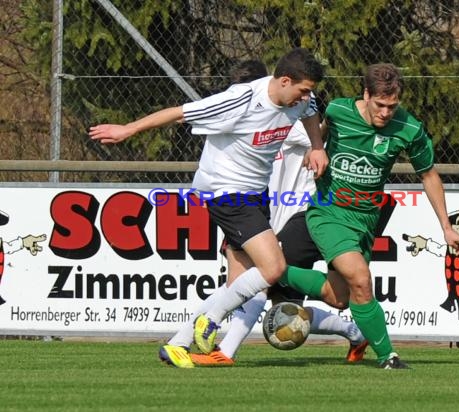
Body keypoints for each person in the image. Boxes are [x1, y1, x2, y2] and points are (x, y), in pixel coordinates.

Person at [90, 48, 329, 368]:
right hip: (226, 193)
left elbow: (311, 111)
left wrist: (316, 147)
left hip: (256, 195)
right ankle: (211, 319)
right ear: (284, 80)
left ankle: (177, 345)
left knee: (242, 285)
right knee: (273, 269)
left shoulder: (300, 100)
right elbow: (180, 112)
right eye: (303, 89)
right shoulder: (241, 99)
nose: (307, 97)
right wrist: (128, 129)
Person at [171, 60, 367, 366]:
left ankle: (218, 351)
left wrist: (319, 143)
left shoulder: (288, 116)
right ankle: (181, 344)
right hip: (252, 211)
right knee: (269, 302)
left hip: (295, 216)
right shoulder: (242, 116)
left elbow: (314, 116)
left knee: (267, 293)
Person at [281, 63, 459, 369]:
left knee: (340, 296)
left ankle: (272, 270)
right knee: (361, 277)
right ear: (366, 94)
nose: (385, 113)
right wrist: (318, 148)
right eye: (380, 105)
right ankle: (388, 357)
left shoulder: (409, 128)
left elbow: (429, 176)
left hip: (366, 220)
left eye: (392, 106)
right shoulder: (339, 111)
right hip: (329, 211)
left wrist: (447, 228)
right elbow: (316, 125)